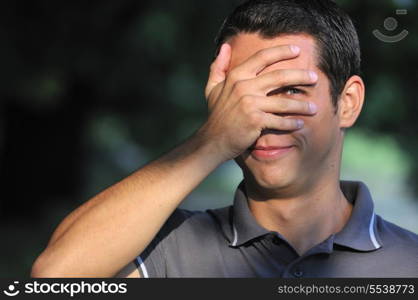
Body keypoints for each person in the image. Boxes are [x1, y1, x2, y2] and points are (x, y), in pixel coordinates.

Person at [31, 0, 418, 278]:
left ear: (347, 103)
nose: (257, 117)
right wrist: (211, 141)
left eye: (290, 90)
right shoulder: (167, 248)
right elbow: (53, 280)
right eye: (242, 94)